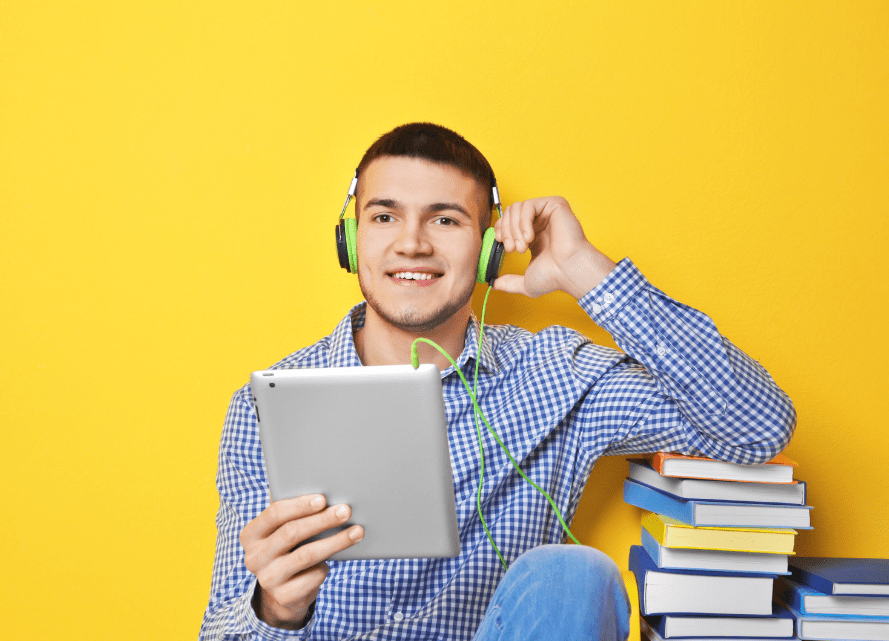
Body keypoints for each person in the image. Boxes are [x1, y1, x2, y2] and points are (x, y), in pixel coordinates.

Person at [199, 123, 796, 641]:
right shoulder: (268, 407)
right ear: (352, 242)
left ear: (488, 250)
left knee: (574, 574)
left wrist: (585, 269)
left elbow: (757, 427)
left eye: (446, 219)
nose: (412, 242)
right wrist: (276, 608)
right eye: (384, 216)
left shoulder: (555, 372)